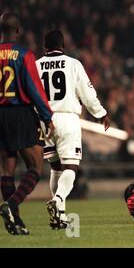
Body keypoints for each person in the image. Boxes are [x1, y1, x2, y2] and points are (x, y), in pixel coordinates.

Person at [36, 29, 110, 229]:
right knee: (71, 167)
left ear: (45, 47)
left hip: (44, 120)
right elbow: (87, 92)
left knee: (55, 167)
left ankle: (59, 215)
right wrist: (100, 112)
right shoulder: (72, 64)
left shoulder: (35, 66)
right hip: (67, 118)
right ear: (63, 45)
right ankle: (58, 200)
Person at [0, 12, 55, 235]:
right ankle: (11, 205)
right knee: (36, 165)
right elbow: (34, 88)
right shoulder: (24, 54)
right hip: (20, 112)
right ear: (18, 30)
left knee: (7, 169)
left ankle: (16, 223)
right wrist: (46, 116)